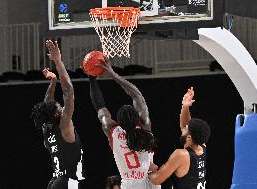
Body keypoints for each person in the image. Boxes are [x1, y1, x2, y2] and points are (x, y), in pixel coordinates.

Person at [88, 56, 161, 189]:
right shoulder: (145, 127)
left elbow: (100, 107)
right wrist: (113, 74)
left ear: (118, 122)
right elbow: (137, 95)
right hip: (149, 181)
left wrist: (92, 78)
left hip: (129, 185)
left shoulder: (111, 130)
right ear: (137, 118)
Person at [31, 40, 84, 189]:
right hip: (66, 182)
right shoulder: (64, 125)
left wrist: (53, 81)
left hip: (56, 182)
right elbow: (68, 91)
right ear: (56, 113)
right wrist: (58, 61)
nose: (61, 105)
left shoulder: (46, 128)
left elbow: (47, 103)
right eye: (59, 106)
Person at [149, 87, 211, 189]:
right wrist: (185, 106)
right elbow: (185, 124)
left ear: (189, 137)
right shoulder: (201, 146)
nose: (184, 127)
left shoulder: (181, 155)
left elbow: (156, 179)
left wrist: (149, 170)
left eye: (187, 128)